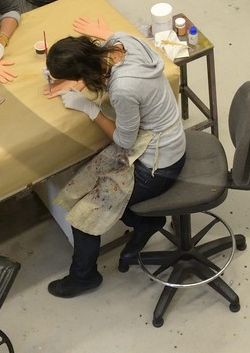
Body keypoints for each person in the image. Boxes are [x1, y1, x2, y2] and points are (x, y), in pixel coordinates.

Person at [42, 16, 186, 297]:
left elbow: (124, 141)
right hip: (169, 141)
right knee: (88, 182)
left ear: (82, 72)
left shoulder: (123, 88)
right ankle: (145, 221)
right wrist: (84, 80)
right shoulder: (122, 42)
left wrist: (89, 108)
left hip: (159, 164)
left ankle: (83, 278)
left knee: (85, 215)